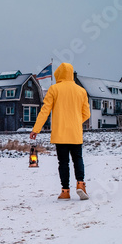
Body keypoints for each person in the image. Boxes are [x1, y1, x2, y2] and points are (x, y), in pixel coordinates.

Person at [30, 62, 91, 200]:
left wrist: (36, 129)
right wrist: (75, 122)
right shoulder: (81, 91)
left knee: (63, 162)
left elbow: (45, 110)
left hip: (60, 134)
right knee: (78, 159)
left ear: (58, 74)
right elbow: (86, 114)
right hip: (75, 133)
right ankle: (80, 184)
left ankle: (65, 191)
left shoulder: (54, 89)